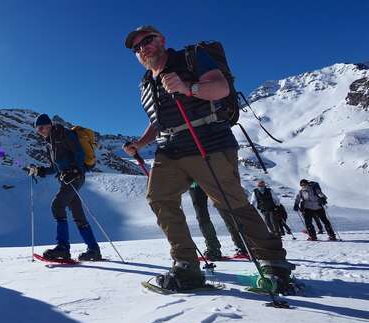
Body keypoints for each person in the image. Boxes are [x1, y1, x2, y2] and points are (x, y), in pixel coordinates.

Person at [122, 25, 294, 293]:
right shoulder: (146, 82)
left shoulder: (191, 57)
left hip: (208, 140)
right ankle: (186, 266)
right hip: (170, 148)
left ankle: (273, 263)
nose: (143, 47)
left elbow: (221, 87)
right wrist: (139, 144)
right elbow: (157, 120)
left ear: (162, 39)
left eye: (148, 40)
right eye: (137, 47)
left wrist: (187, 87)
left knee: (230, 202)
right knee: (159, 198)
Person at [27, 114, 102, 261]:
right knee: (78, 215)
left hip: (75, 177)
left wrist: (74, 170)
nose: (39, 131)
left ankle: (63, 248)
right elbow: (55, 167)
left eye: (41, 127)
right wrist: (39, 170)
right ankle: (93, 250)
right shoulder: (50, 144)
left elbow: (79, 153)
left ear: (49, 125)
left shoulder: (65, 134)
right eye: (37, 129)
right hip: (66, 179)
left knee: (57, 206)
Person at [187, 181, 248, 260]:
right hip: (200, 183)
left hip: (206, 182)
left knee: (218, 213)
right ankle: (240, 246)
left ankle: (216, 249)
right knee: (218, 213)